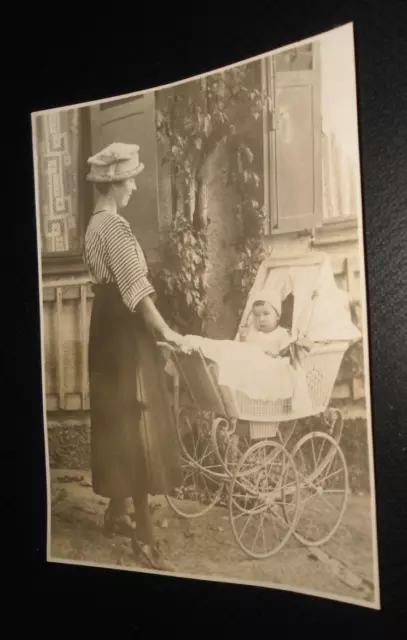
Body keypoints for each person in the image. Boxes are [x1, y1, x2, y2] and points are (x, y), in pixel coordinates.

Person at [84, 142, 189, 572]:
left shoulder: (93, 226)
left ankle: (116, 512)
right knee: (138, 421)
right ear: (113, 183)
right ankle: (144, 536)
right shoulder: (115, 229)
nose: (133, 186)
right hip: (126, 331)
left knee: (116, 417)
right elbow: (137, 292)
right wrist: (167, 332)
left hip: (104, 329)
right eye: (129, 179)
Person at [240, 291, 293, 357]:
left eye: (266, 314)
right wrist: (242, 338)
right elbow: (243, 350)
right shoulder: (251, 331)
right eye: (256, 315)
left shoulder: (282, 334)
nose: (261, 319)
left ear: (277, 315)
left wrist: (274, 356)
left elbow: (285, 356)